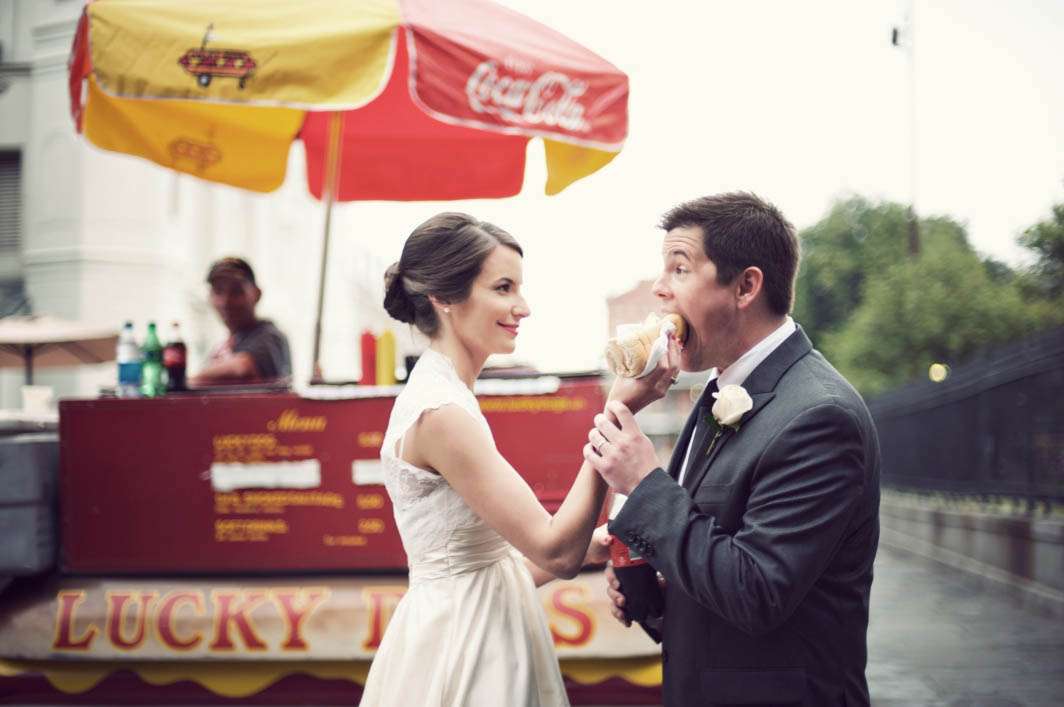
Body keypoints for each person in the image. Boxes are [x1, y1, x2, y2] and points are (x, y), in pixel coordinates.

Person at [585, 192, 881, 706]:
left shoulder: (819, 415)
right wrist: (654, 589)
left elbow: (758, 591)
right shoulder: (719, 390)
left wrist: (645, 484)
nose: (659, 289)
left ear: (745, 286)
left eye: (680, 268)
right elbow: (719, 555)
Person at [359, 213, 623, 706]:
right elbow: (555, 551)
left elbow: (483, 569)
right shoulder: (442, 412)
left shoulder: (444, 395)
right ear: (444, 297)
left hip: (469, 626)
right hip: (466, 647)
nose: (523, 307)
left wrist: (592, 544)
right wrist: (616, 417)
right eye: (503, 288)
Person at [189, 257, 292, 387]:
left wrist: (187, 383)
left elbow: (242, 368)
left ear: (257, 294)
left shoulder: (270, 336)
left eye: (236, 291)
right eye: (218, 291)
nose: (226, 301)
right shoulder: (225, 346)